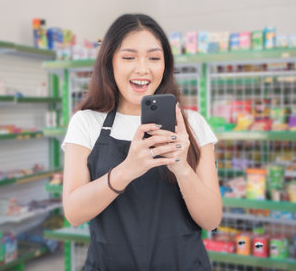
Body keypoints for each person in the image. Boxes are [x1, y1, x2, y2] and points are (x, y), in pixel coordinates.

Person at [62, 14, 222, 270]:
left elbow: (211, 219)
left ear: (165, 65)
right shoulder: (86, 122)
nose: (142, 68)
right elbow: (74, 213)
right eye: (128, 57)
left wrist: (181, 168)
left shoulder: (193, 124)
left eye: (154, 57)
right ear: (109, 62)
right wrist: (127, 170)